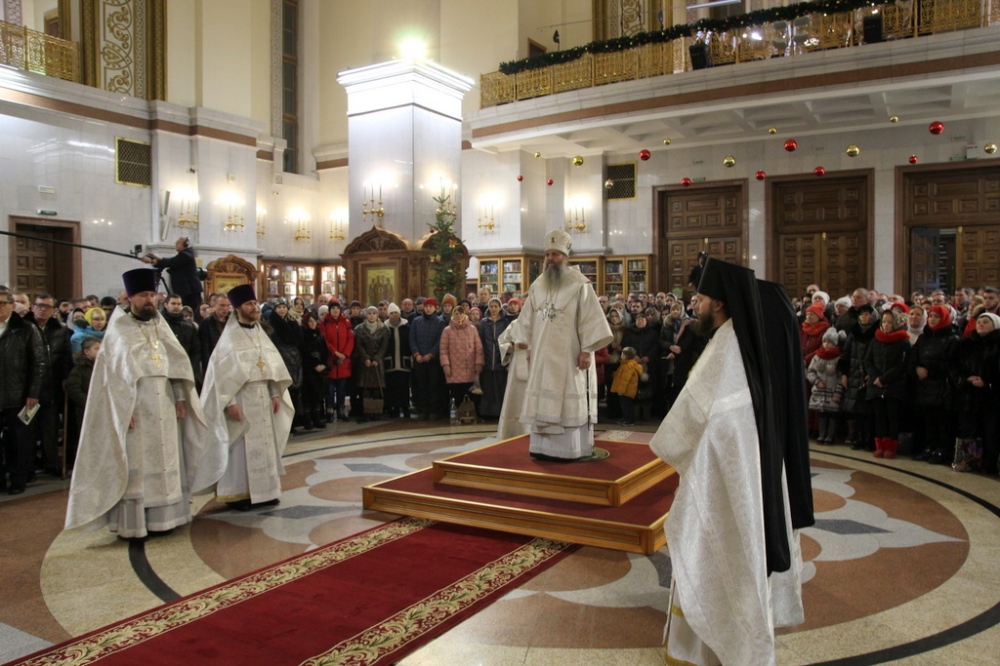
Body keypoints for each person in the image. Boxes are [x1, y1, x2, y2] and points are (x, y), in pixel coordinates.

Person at [648, 259, 813, 665]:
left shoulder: (729, 345)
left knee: (717, 551)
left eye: (700, 298)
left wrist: (681, 446)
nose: (695, 305)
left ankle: (711, 650)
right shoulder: (738, 339)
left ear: (719, 302)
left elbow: (712, 418)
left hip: (721, 472)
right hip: (733, 468)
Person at [65, 269, 214, 538]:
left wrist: (181, 397)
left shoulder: (160, 325)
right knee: (139, 463)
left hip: (164, 401)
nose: (149, 300)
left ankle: (167, 518)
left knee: (166, 458)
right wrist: (122, 409)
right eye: (143, 295)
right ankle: (136, 523)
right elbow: (111, 376)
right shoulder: (119, 329)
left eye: (152, 295)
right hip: (135, 405)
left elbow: (176, 364)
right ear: (130, 297)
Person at [513, 229, 612, 461]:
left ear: (565, 257)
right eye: (547, 254)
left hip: (569, 356)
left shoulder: (580, 285)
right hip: (541, 356)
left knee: (567, 402)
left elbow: (590, 320)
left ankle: (570, 449)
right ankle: (542, 448)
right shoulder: (538, 284)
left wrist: (586, 350)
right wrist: (528, 346)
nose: (550, 259)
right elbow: (527, 319)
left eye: (555, 254)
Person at [200, 284, 294, 511]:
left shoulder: (260, 333)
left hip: (263, 397)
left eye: (254, 303)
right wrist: (230, 403)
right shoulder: (229, 338)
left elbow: (271, 366)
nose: (254, 307)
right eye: (249, 304)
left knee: (265, 445)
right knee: (240, 448)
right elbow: (221, 376)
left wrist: (274, 393)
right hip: (241, 398)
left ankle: (266, 491)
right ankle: (238, 494)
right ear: (238, 308)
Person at [0, 287, 48, 495]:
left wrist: (33, 392)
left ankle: (18, 479)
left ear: (12, 305)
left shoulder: (26, 329)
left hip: (18, 394)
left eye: (2, 303)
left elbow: (39, 363)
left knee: (18, 441)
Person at [24, 293, 72, 475]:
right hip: (28, 388)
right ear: (32, 307)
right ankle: (28, 465)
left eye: (47, 306)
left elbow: (66, 357)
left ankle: (50, 462)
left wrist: (65, 377)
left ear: (53, 310)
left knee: (49, 427)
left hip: (51, 386)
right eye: (39, 305)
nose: (42, 309)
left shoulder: (61, 330)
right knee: (27, 428)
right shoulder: (24, 327)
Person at [865, 309, 911, 459]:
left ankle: (891, 446)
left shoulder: (903, 342)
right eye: (884, 321)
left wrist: (884, 379)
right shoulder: (875, 340)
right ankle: (880, 445)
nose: (886, 325)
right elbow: (868, 361)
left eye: (890, 322)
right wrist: (877, 378)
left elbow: (901, 366)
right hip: (876, 385)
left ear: (896, 323)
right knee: (879, 416)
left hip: (894, 385)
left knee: (892, 416)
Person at [440, 306, 484, 416]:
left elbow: (478, 348)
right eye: (456, 313)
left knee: (473, 394)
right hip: (454, 369)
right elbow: (443, 350)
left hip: (470, 368)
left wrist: (479, 363)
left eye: (461, 313)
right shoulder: (447, 330)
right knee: (457, 394)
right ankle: (460, 415)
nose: (459, 315)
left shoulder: (472, 329)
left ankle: (473, 415)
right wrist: (446, 365)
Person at [65, 337, 100, 470]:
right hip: (85, 410)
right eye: (96, 349)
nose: (100, 351)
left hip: (102, 409)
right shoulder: (79, 370)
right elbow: (73, 389)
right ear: (87, 351)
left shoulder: (103, 367)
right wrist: (89, 402)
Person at [409, 297, 448, 420]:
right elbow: (412, 339)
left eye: (430, 306)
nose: (428, 309)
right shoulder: (416, 321)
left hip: (433, 360)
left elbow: (440, 340)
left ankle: (434, 410)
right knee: (421, 385)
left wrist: (431, 354)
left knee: (433, 385)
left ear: (435, 308)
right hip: (419, 359)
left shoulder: (440, 322)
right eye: (426, 306)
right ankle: (423, 409)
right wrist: (417, 354)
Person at [141, 236, 203, 310]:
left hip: (189, 289)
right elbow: (172, 260)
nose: (175, 244)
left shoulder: (185, 255)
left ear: (185, 244)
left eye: (178, 243)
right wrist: (156, 257)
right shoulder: (186, 253)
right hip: (188, 288)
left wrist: (152, 261)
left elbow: (171, 262)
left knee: (190, 309)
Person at [352, 306, 389, 421]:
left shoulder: (384, 329)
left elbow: (384, 346)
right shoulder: (359, 329)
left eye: (374, 313)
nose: (372, 315)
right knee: (366, 388)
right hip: (365, 362)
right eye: (369, 313)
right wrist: (366, 358)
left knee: (377, 388)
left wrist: (377, 358)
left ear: (377, 315)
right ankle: (366, 412)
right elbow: (358, 345)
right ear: (366, 315)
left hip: (377, 363)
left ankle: (377, 412)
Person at [807, 328, 844, 443]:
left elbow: (841, 377)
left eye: (829, 342)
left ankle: (830, 436)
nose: (826, 344)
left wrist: (837, 392)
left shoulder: (838, 358)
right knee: (821, 414)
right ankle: (822, 434)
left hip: (832, 392)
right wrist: (817, 381)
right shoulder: (817, 357)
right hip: (819, 391)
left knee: (832, 414)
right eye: (824, 341)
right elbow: (810, 372)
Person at [321, 300, 354, 421]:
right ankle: (329, 411)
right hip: (331, 360)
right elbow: (324, 340)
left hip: (343, 362)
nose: (335, 310)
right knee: (329, 390)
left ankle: (341, 410)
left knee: (342, 389)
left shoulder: (346, 322)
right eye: (333, 308)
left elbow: (350, 339)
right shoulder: (324, 323)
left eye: (337, 308)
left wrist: (344, 354)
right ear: (329, 310)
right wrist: (335, 352)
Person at [477, 298, 510, 420]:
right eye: (491, 306)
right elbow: (480, 341)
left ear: (500, 308)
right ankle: (487, 412)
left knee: (500, 387)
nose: (494, 309)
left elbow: (508, 339)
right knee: (488, 388)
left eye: (496, 306)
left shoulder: (505, 322)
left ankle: (500, 412)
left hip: (500, 360)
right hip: (487, 359)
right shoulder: (483, 323)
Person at [162, 293, 202, 387]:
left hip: (185, 370)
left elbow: (196, 350)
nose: (176, 306)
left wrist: (191, 369)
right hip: (165, 370)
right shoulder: (160, 325)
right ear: (166, 305)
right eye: (173, 303)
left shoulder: (189, 327)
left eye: (179, 304)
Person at [299, 312, 328, 430]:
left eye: (314, 321)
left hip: (319, 370)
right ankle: (307, 419)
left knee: (317, 395)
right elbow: (303, 353)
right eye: (310, 321)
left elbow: (324, 351)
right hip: (308, 370)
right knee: (307, 395)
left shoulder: (319, 335)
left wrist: (324, 364)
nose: (312, 323)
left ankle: (317, 418)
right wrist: (313, 365)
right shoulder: (303, 335)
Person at [383, 303, 412, 419]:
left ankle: (405, 408)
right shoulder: (384, 328)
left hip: (404, 362)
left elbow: (410, 343)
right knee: (392, 387)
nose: (394, 315)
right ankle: (394, 409)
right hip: (390, 363)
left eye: (396, 312)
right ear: (388, 315)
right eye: (391, 313)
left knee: (404, 387)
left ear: (399, 313)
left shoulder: (407, 327)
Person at [610, 346, 642, 427]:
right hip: (626, 390)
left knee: (627, 406)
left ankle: (629, 420)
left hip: (627, 391)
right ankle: (625, 418)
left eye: (622, 354)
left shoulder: (628, 366)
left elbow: (625, 380)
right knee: (624, 406)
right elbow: (620, 374)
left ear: (625, 356)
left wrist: (621, 390)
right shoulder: (624, 364)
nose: (621, 356)